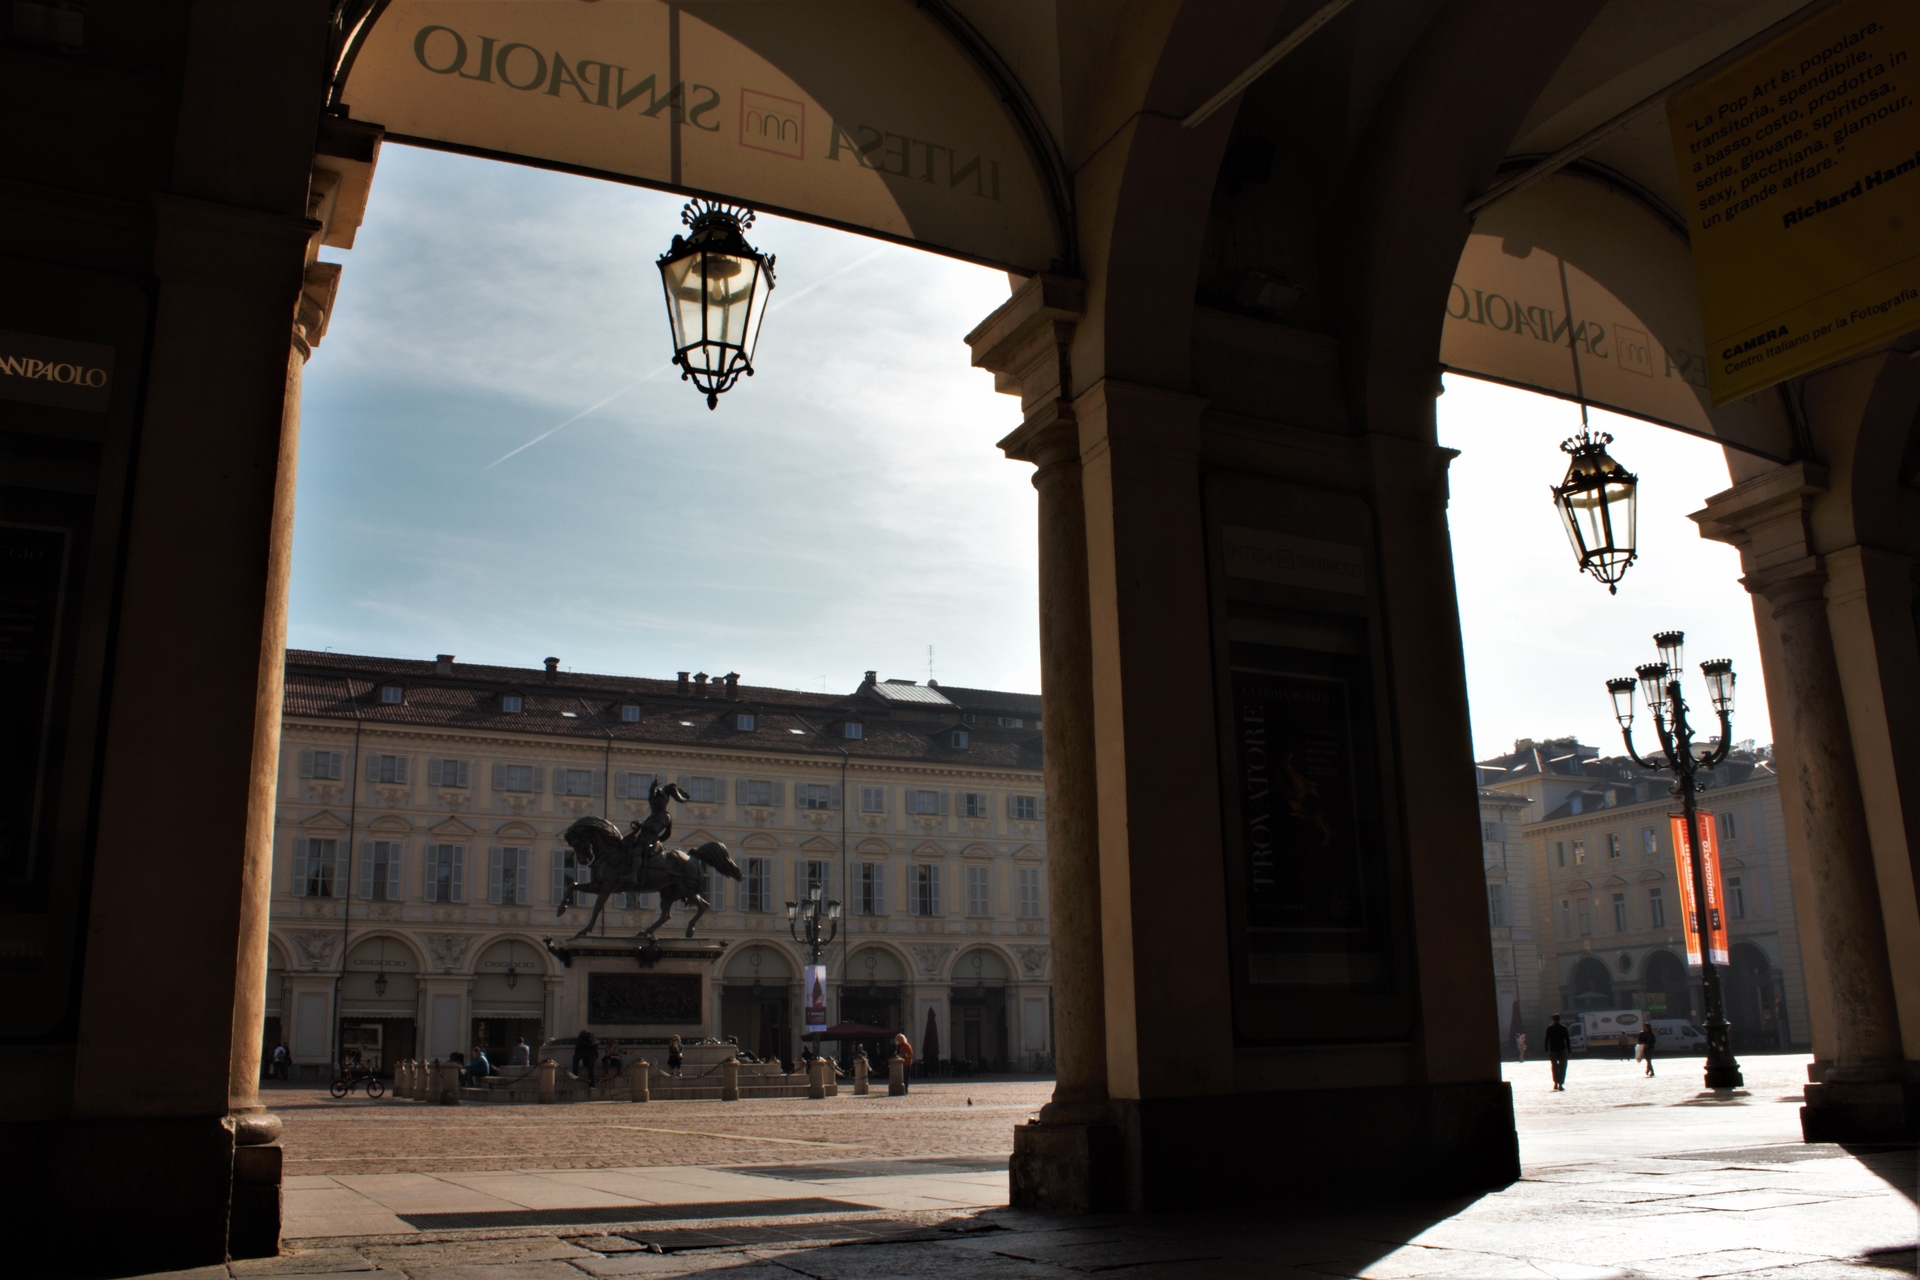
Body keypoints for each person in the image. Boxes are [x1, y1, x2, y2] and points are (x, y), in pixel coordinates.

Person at [1544, 1014, 1571, 1091]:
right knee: (1562, 1067)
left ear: (1553, 1020)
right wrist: (1569, 1051)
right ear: (1560, 1019)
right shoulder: (1564, 1028)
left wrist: (1546, 1051)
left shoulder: (1549, 1028)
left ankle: (1555, 1083)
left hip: (1553, 1050)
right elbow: (1567, 1040)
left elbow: (1546, 1040)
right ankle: (1560, 1085)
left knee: (1554, 1067)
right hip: (1562, 1049)